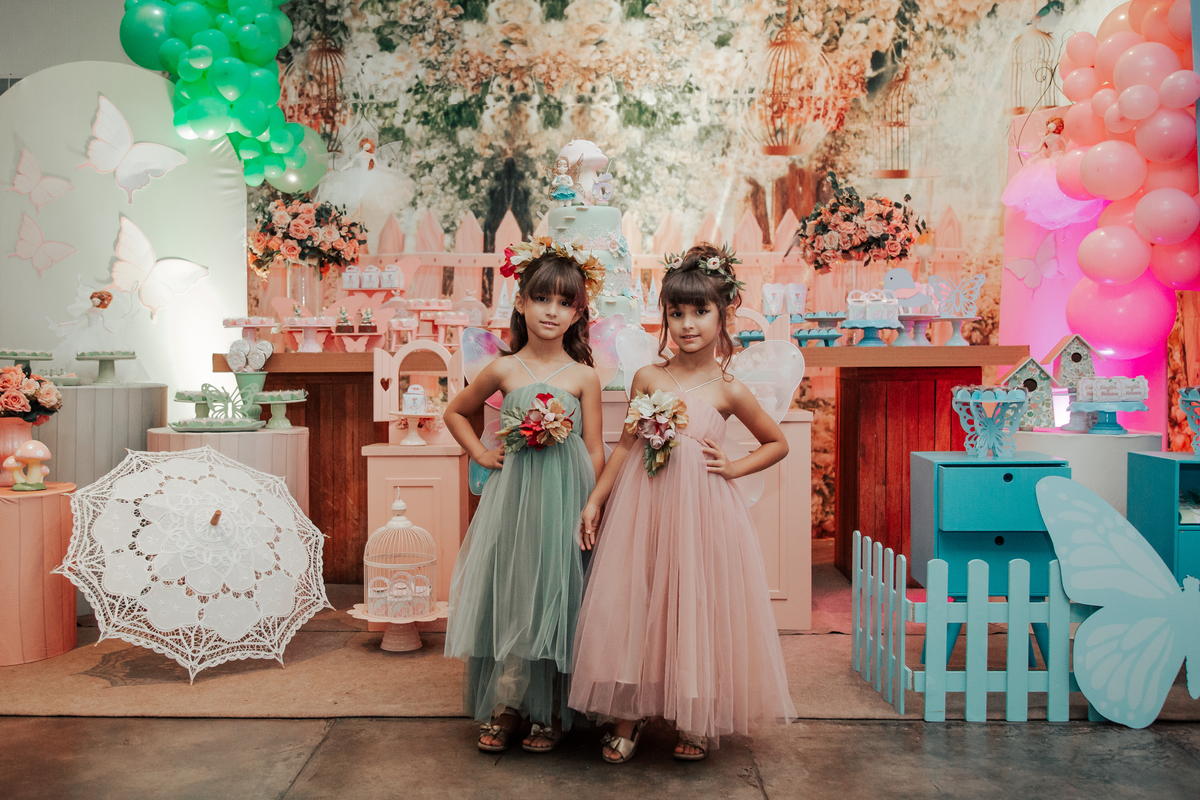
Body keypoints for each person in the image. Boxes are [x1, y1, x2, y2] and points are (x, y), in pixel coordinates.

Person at [568, 243, 797, 763]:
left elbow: (777, 443)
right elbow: (625, 445)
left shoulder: (730, 388)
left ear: (724, 312)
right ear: (665, 317)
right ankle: (629, 712)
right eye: (676, 313)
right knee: (638, 598)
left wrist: (733, 467)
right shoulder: (649, 378)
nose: (687, 324)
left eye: (700, 311)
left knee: (694, 601)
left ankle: (694, 715)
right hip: (643, 507)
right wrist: (596, 500)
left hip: (701, 512)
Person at [443, 242, 606, 754]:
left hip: (565, 499)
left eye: (564, 302)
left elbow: (595, 447)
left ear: (577, 313)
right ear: (521, 302)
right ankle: (508, 704)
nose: (551, 311)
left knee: (556, 592)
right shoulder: (504, 369)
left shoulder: (584, 377)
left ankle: (550, 708)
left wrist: (591, 505)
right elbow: (455, 412)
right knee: (514, 589)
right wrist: (480, 453)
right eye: (541, 298)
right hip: (513, 501)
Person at [1001, 116, 1104, 230]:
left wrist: (1070, 157)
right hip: (1052, 158)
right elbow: (1037, 150)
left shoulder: (1058, 137)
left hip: (1059, 156)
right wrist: (1022, 150)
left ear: (1057, 127)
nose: (1051, 126)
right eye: (1050, 124)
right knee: (1046, 182)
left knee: (1061, 179)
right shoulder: (1046, 138)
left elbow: (1066, 147)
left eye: (1053, 125)